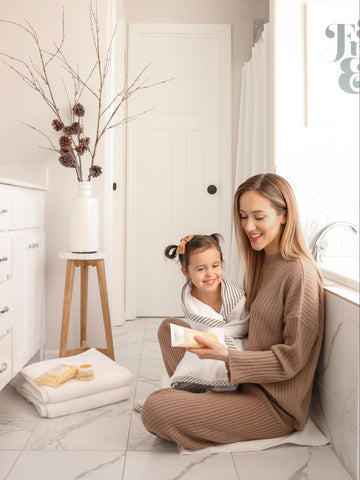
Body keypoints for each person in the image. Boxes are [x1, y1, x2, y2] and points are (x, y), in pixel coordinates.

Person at [141, 173, 324, 451]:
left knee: (155, 408)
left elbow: (293, 360)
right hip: (242, 381)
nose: (248, 225)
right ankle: (200, 395)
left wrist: (228, 356)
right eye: (242, 216)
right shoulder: (263, 262)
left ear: (284, 215)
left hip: (272, 403)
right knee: (170, 329)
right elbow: (240, 321)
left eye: (258, 216)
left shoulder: (300, 273)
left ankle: (193, 404)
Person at [164, 233, 249, 392]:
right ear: (186, 272)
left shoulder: (235, 297)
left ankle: (218, 385)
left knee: (212, 338)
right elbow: (198, 324)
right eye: (201, 269)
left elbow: (244, 325)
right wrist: (200, 336)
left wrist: (215, 334)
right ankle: (195, 382)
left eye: (215, 266)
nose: (210, 273)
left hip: (234, 344)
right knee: (168, 330)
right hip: (206, 343)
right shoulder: (189, 298)